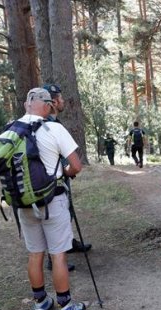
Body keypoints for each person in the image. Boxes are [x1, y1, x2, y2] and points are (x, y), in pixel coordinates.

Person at [17, 88, 86, 310]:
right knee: (58, 254)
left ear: (27, 105)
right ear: (47, 106)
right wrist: (64, 172)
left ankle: (40, 304)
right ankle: (66, 308)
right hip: (52, 198)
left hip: (24, 201)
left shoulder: (11, 129)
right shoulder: (54, 128)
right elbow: (76, 166)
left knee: (35, 253)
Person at [42, 84, 90, 273]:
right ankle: (53, 257)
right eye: (60, 99)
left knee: (66, 211)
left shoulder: (53, 122)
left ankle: (68, 243)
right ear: (53, 102)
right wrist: (68, 171)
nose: (63, 102)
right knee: (54, 215)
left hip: (60, 175)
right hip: (52, 179)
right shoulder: (46, 124)